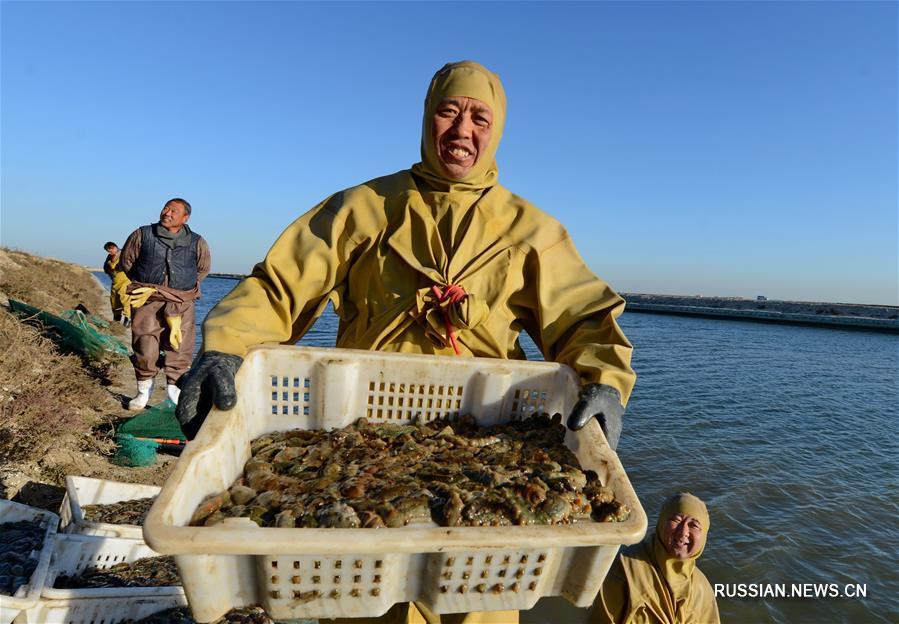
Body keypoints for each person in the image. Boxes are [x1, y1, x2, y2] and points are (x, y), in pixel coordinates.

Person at [176, 61, 636, 623]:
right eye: (449, 111)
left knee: (482, 606)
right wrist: (226, 346)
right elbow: (279, 287)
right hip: (360, 428)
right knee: (362, 607)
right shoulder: (362, 207)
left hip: (486, 434)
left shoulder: (531, 230)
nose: (462, 130)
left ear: (497, 131)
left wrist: (604, 381)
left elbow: (584, 315)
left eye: (479, 117)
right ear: (426, 118)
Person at [119, 198, 211, 410]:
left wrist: (179, 289)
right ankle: (143, 392)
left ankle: (174, 394)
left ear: (185, 217)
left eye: (174, 211)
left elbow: (203, 269)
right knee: (145, 344)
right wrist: (150, 285)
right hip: (146, 300)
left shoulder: (197, 241)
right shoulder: (142, 234)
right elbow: (127, 262)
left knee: (179, 347)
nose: (167, 213)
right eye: (166, 208)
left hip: (181, 303)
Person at [589, 492, 720, 624]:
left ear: (703, 537)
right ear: (661, 523)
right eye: (677, 520)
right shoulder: (625, 568)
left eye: (694, 525)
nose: (683, 531)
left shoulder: (703, 590)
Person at [102, 241, 131, 325]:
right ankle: (116, 319)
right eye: (108, 251)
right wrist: (109, 270)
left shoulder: (125, 254)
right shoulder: (109, 257)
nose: (109, 252)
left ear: (114, 247)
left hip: (125, 281)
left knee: (124, 298)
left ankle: (127, 319)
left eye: (110, 250)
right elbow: (105, 267)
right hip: (115, 282)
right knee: (114, 300)